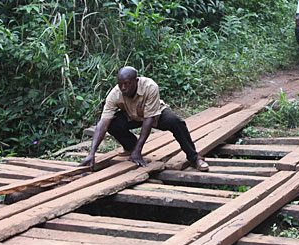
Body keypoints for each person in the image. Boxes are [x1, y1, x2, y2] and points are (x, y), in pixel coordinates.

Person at [79, 66, 209, 172]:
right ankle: (131, 147)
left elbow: (149, 120)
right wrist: (92, 153)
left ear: (136, 81)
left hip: (155, 114)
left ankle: (195, 158)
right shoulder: (114, 94)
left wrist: (139, 151)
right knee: (112, 123)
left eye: (127, 84)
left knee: (176, 123)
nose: (123, 88)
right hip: (132, 115)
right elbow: (103, 124)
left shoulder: (150, 87)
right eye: (120, 84)